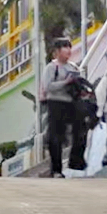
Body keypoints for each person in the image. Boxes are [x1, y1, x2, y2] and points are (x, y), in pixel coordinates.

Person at [40, 37, 86, 178]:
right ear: (57, 51)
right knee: (56, 136)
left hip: (72, 102)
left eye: (69, 47)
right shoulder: (51, 67)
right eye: (65, 47)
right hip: (55, 103)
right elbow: (47, 87)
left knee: (81, 130)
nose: (68, 50)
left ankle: (76, 162)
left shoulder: (73, 67)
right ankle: (56, 169)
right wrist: (65, 82)